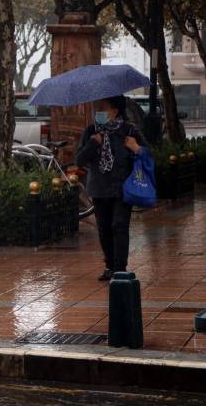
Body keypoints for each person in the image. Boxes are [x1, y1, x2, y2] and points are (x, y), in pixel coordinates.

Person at [76, 95, 147, 281]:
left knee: (119, 225)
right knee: (104, 228)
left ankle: (120, 268)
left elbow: (148, 155)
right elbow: (80, 160)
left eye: (103, 108)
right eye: (97, 108)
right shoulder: (91, 131)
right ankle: (109, 266)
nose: (98, 112)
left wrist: (135, 147)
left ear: (115, 111)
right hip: (99, 188)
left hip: (123, 187)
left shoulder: (129, 130)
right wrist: (93, 143)